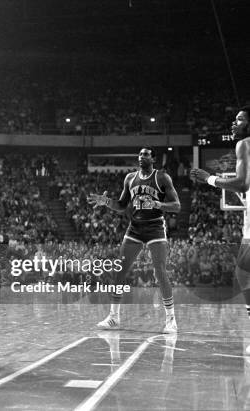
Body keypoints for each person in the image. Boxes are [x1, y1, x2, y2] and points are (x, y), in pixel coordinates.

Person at [89, 146, 181, 333]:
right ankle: (114, 317)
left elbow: (177, 206)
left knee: (160, 272)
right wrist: (106, 202)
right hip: (135, 228)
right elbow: (122, 206)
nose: (141, 157)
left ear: (153, 158)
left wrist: (158, 204)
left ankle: (171, 319)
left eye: (146, 154)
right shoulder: (130, 178)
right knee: (119, 270)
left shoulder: (162, 177)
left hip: (155, 227)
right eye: (139, 154)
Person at [190, 106, 250, 349]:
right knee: (243, 273)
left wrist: (209, 179)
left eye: (240, 120)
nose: (234, 124)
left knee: (243, 274)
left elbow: (243, 184)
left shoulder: (244, 144)